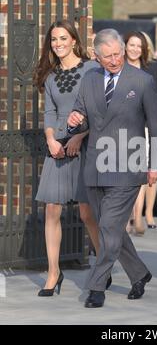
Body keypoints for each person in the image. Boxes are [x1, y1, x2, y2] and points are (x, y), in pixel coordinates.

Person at [67, 29, 157, 308]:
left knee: (109, 226)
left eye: (117, 54)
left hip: (128, 165)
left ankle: (97, 286)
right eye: (107, 56)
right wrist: (75, 120)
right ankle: (139, 273)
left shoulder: (143, 81)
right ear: (97, 57)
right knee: (111, 229)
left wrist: (155, 164)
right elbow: (80, 116)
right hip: (96, 166)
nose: (114, 60)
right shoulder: (89, 79)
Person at [34, 20, 101, 296]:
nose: (58, 44)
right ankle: (53, 272)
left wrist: (80, 135)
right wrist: (50, 139)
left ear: (74, 40)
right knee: (52, 209)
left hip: (85, 145)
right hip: (57, 148)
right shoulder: (50, 77)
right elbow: (49, 113)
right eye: (53, 40)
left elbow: (100, 110)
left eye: (63, 38)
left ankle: (103, 267)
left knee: (87, 213)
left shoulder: (92, 69)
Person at [123, 31, 157, 234]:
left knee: (141, 171)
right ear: (125, 46)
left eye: (138, 46)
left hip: (146, 125)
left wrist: (155, 110)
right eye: (131, 45)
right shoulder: (118, 68)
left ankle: (139, 217)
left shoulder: (150, 70)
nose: (134, 49)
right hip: (122, 126)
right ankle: (126, 219)